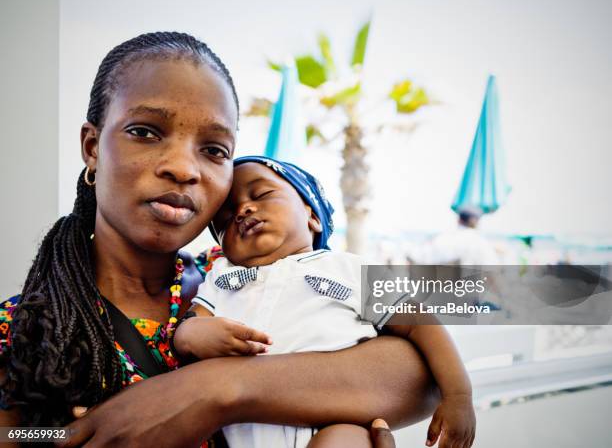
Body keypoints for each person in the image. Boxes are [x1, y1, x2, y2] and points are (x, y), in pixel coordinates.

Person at [0, 32, 439, 447]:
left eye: (213, 150)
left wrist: (214, 389)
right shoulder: (25, 321)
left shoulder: (248, 273)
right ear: (93, 147)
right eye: (145, 132)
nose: (182, 167)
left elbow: (424, 369)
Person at [173, 156, 476, 448]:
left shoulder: (348, 268)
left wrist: (459, 396)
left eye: (262, 194)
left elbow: (418, 322)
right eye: (225, 218)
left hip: (331, 424)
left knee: (349, 439)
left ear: (313, 217)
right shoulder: (221, 278)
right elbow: (189, 325)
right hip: (240, 430)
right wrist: (194, 334)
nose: (242, 210)